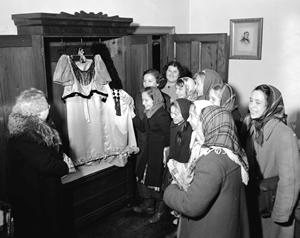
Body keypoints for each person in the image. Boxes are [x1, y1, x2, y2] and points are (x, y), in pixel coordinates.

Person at [164, 104, 250, 238]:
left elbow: (190, 206)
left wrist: (171, 189)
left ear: (210, 126)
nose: (195, 124)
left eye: (199, 121)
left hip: (210, 229)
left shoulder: (212, 161)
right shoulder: (231, 151)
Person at [7, 88, 75, 238]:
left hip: (37, 189)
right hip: (35, 194)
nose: (49, 107)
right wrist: (66, 167)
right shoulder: (28, 134)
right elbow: (46, 165)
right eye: (46, 106)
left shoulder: (29, 128)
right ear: (37, 112)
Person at [241, 84, 300, 238]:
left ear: (271, 106)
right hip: (255, 201)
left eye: (258, 103)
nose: (252, 106)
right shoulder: (252, 128)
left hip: (273, 205)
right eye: (251, 100)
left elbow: (290, 180)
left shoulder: (284, 134)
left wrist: (280, 215)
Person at [131, 87, 171, 224]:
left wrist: (164, 157)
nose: (143, 103)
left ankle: (161, 211)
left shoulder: (162, 114)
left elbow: (168, 137)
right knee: (146, 178)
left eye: (146, 100)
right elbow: (142, 128)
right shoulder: (149, 112)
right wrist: (132, 115)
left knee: (158, 182)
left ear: (155, 99)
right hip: (149, 151)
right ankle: (149, 206)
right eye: (143, 100)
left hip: (158, 153)